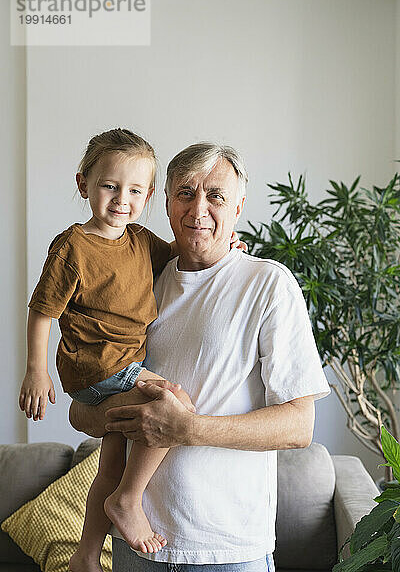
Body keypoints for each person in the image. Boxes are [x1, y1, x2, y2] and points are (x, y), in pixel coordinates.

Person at [69, 142, 331, 572]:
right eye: (186, 193)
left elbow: (299, 427)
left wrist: (188, 428)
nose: (198, 209)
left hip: (227, 550)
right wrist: (126, 417)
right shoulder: (137, 282)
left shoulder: (267, 285)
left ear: (239, 206)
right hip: (136, 549)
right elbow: (82, 410)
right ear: (166, 202)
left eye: (216, 196)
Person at [18, 128, 201, 571]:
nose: (122, 198)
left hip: (123, 366)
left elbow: (177, 252)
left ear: (149, 195)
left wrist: (222, 242)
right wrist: (35, 371)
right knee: (175, 403)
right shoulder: (72, 247)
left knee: (112, 461)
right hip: (98, 365)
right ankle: (128, 501)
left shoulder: (138, 239)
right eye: (109, 185)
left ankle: (85, 555)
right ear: (84, 184)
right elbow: (43, 311)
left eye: (135, 190)